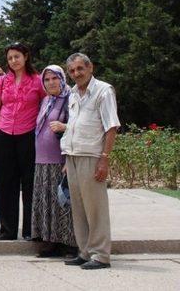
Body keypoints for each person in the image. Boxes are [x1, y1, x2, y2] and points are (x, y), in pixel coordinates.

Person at [61, 53, 119, 270]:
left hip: (92, 156)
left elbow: (111, 127)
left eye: (80, 69)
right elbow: (73, 125)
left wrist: (104, 159)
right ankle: (84, 252)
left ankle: (101, 255)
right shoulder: (73, 93)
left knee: (95, 208)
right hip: (73, 155)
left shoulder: (103, 91)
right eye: (72, 71)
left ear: (90, 67)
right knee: (79, 207)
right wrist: (68, 156)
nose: (76, 74)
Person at [0, 42, 45, 241]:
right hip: (4, 134)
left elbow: (46, 108)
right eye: (10, 58)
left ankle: (30, 230)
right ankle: (8, 230)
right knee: (6, 183)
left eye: (17, 56)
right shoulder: (2, 81)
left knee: (29, 183)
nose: (13, 61)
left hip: (28, 135)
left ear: (26, 56)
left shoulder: (38, 81)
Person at [32, 65, 77, 257]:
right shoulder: (46, 101)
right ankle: (49, 241)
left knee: (63, 202)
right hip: (42, 161)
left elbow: (79, 125)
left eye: (54, 78)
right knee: (47, 201)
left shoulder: (70, 99)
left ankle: (69, 244)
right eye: (47, 79)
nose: (51, 82)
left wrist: (64, 126)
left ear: (62, 78)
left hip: (60, 160)